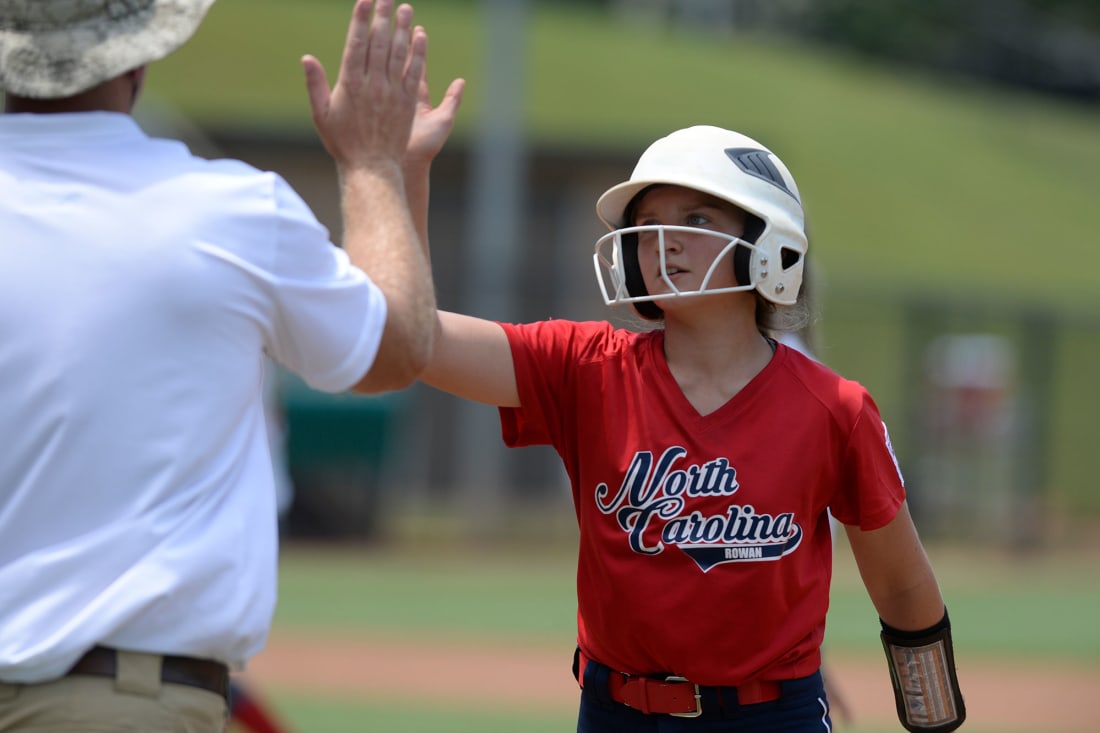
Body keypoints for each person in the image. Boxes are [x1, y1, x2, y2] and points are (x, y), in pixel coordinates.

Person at [405, 111, 966, 731]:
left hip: (771, 717)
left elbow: (902, 587)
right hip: (617, 713)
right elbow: (418, 340)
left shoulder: (834, 408)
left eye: (696, 220)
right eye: (647, 226)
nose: (662, 242)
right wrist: (400, 173)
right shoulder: (585, 369)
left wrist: (934, 718)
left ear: (768, 243)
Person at [0, 0, 436, 729]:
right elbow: (394, 350)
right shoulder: (230, 212)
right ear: (138, 57)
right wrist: (372, 165)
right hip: (114, 701)